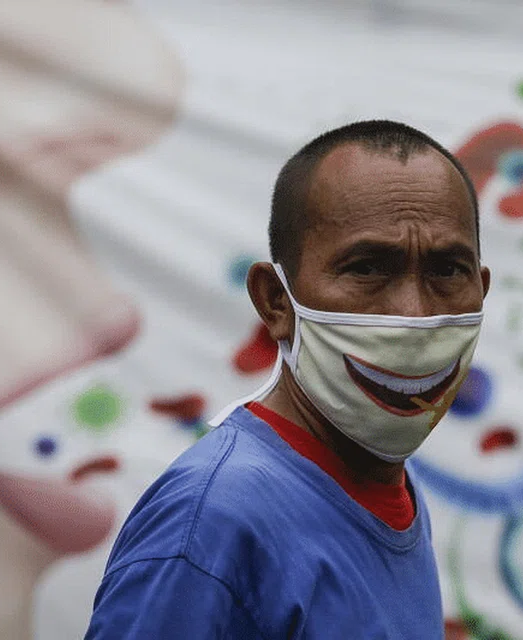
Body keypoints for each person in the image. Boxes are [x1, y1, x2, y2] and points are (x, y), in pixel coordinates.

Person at [84, 119, 491, 638]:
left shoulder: (392, 489)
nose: (412, 314)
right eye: (367, 268)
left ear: (481, 288)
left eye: (447, 270)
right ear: (277, 301)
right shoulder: (213, 522)